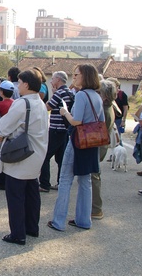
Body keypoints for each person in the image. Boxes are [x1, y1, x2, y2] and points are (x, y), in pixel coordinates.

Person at [0, 70, 49, 245]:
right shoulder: (40, 102)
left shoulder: (22, 103)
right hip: (37, 153)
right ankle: (32, 228)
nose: (18, 86)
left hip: (22, 154)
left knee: (16, 194)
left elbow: (4, 126)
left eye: (19, 82)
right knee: (32, 192)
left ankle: (18, 233)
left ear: (26, 84)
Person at [48, 64, 104, 231]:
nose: (74, 77)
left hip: (78, 140)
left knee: (65, 179)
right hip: (91, 142)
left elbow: (76, 121)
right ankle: (84, 220)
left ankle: (58, 221)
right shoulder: (97, 96)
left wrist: (65, 112)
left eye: (77, 74)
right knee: (85, 180)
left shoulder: (81, 95)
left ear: (85, 76)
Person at [40, 71, 74, 193]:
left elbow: (47, 107)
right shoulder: (69, 92)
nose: (51, 81)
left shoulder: (59, 92)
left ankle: (44, 183)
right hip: (65, 129)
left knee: (45, 156)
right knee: (61, 158)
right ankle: (61, 183)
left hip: (55, 129)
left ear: (58, 80)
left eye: (53, 79)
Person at [91, 79, 116, 219]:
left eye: (97, 92)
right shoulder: (108, 107)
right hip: (101, 145)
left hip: (98, 145)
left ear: (104, 96)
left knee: (94, 176)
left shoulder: (104, 110)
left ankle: (96, 209)